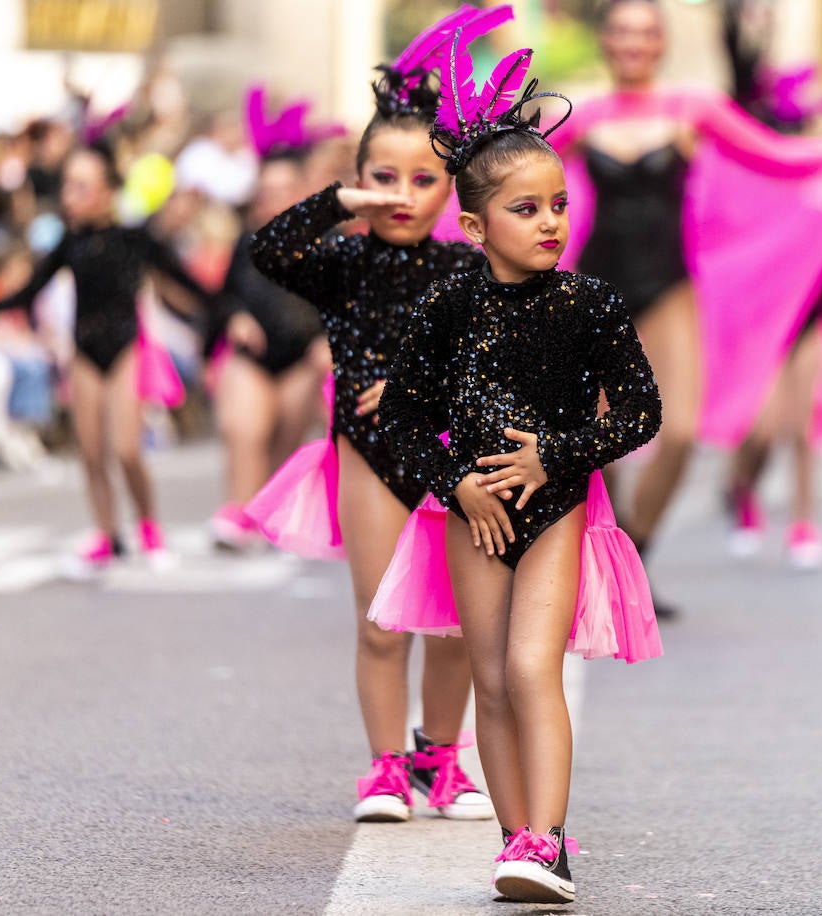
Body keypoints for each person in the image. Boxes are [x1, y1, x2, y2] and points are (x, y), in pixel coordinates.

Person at [370, 33, 663, 904]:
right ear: (473, 226)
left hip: (559, 504)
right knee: (490, 680)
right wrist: (455, 484)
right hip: (472, 514)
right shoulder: (449, 300)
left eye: (559, 204)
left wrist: (555, 455)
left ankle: (551, 836)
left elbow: (644, 412)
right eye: (526, 209)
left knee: (534, 669)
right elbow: (404, 416)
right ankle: (517, 842)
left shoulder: (590, 302)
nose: (550, 222)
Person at [246, 5, 508, 823]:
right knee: (382, 622)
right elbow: (267, 251)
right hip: (365, 455)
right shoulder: (343, 260)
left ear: (451, 189)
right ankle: (386, 767)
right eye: (383, 178)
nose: (402, 195)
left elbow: (496, 358)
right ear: (360, 179)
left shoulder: (468, 265)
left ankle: (441, 757)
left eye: (422, 179)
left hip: (450, 456)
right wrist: (337, 201)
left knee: (458, 629)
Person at [550, 0, 822, 606]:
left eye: (644, 32)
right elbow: (511, 171)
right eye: (622, 32)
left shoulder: (693, 108)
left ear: (660, 43)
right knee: (597, 437)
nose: (632, 42)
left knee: (679, 430)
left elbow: (779, 156)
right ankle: (611, 565)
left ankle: (634, 550)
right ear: (607, 42)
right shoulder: (585, 117)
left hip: (669, 286)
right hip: (597, 291)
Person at [0, 141, 208, 574]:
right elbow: (30, 290)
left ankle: (149, 528)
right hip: (84, 352)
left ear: (107, 191)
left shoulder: (135, 238)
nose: (69, 196)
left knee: (126, 449)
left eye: (81, 187)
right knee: (92, 452)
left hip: (124, 349)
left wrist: (225, 307)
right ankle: (107, 534)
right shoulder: (70, 241)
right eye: (67, 187)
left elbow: (184, 281)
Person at [207, 149, 328, 550]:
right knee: (246, 427)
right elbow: (224, 297)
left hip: (303, 358)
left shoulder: (329, 242)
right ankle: (239, 509)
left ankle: (273, 510)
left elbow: (349, 302)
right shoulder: (247, 242)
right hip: (254, 355)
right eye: (266, 191)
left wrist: (328, 339)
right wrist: (236, 316)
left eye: (284, 190)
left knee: (285, 434)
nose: (274, 199)